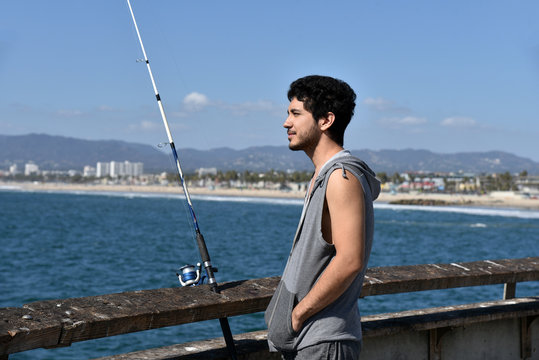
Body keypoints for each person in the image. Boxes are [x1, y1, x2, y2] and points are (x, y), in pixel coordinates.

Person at [265, 75, 380, 359]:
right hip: (311, 342)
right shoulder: (323, 176)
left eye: (295, 114)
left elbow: (350, 260)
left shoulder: (341, 177)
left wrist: (298, 315)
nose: (286, 123)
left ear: (326, 120)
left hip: (324, 343)